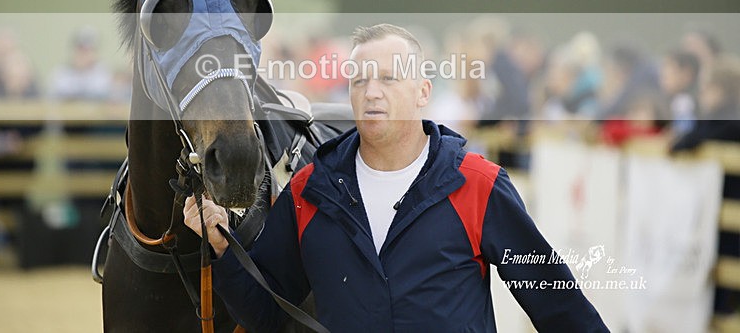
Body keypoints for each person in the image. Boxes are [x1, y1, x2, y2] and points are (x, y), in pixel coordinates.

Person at [184, 24, 607, 332]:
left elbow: (558, 305)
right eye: (360, 80)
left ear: (423, 92)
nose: (371, 92)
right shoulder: (308, 191)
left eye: (389, 78)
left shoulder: (479, 184)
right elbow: (265, 312)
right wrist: (223, 244)